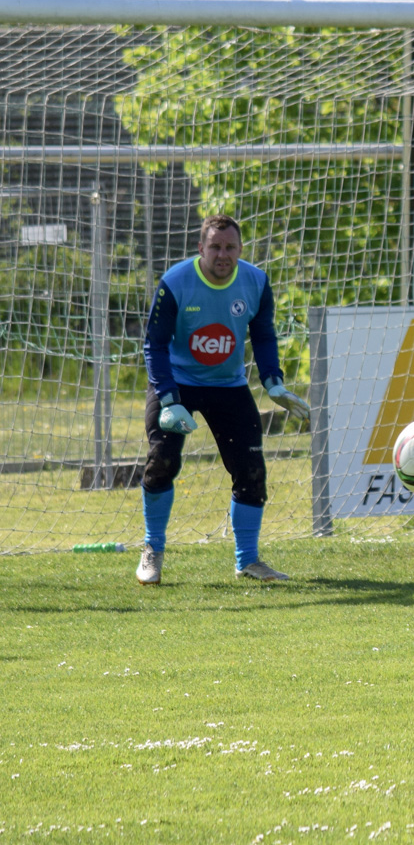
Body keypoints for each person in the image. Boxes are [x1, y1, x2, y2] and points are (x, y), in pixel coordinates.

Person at [136, 214, 310, 585]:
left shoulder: (256, 282)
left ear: (240, 249)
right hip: (176, 382)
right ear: (200, 248)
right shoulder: (175, 282)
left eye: (230, 247)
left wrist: (273, 382)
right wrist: (169, 398)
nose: (222, 254)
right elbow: (154, 345)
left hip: (228, 385)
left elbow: (263, 335)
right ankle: (152, 551)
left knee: (251, 470)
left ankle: (248, 561)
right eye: (215, 246)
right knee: (162, 460)